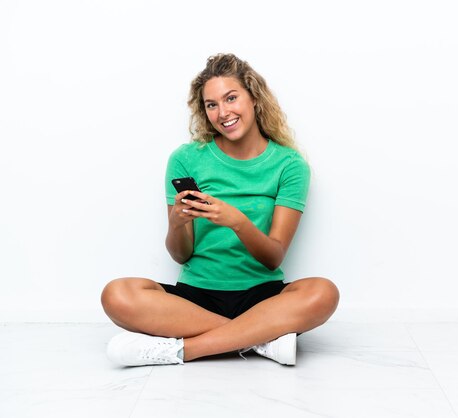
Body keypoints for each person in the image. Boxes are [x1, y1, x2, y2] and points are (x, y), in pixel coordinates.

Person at [101, 53, 340, 366]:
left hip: (262, 298)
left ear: (254, 98)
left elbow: (273, 257)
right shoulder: (186, 158)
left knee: (324, 292)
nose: (222, 112)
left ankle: (183, 350)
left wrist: (237, 222)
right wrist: (176, 224)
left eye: (231, 98)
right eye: (211, 104)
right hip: (195, 299)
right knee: (116, 294)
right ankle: (261, 340)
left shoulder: (289, 165)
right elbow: (181, 255)